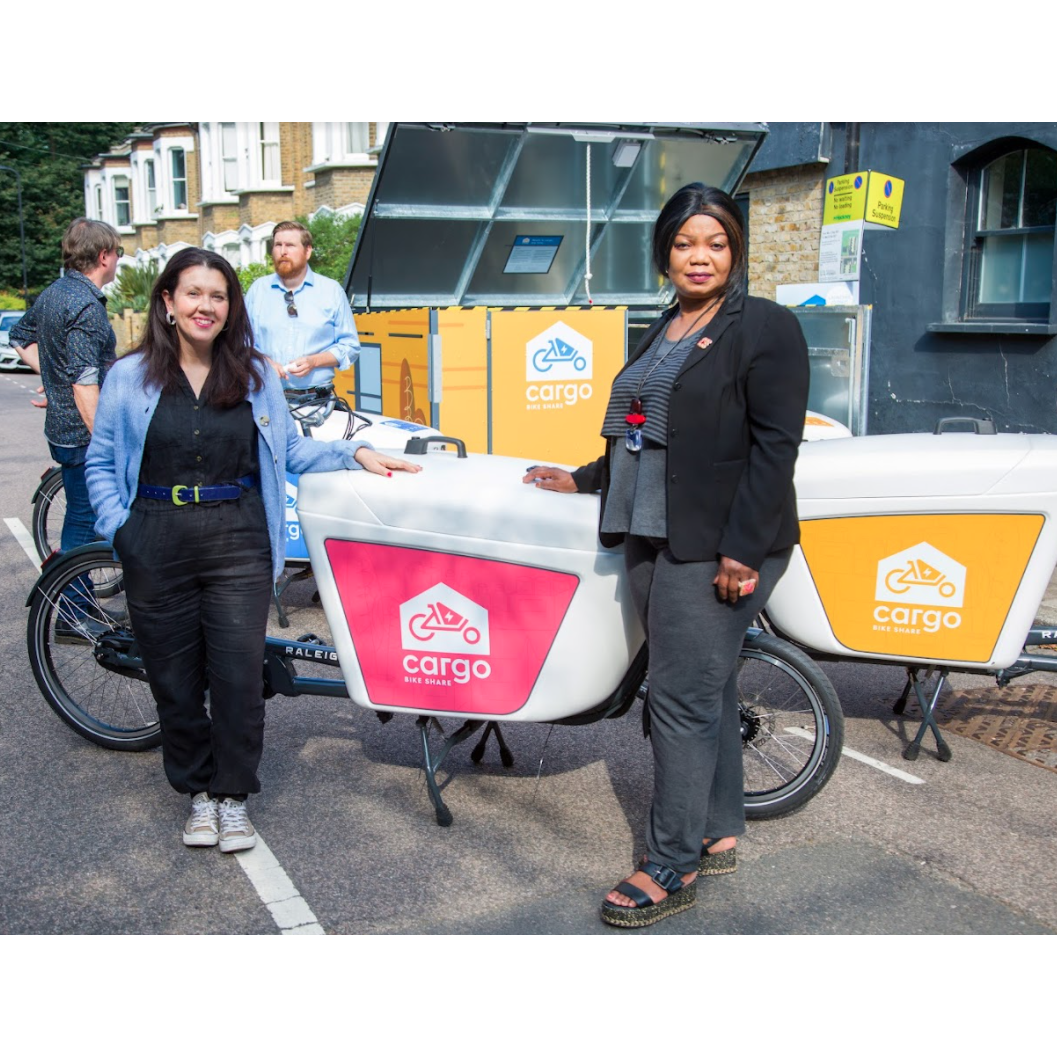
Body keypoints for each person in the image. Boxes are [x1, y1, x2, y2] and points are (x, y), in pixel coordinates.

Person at [523, 184, 809, 928]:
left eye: (714, 242)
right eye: (685, 243)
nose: (700, 256)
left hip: (720, 545)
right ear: (665, 253)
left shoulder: (764, 327)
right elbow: (640, 430)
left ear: (735, 249)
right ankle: (715, 830)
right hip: (652, 532)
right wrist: (583, 478)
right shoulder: (666, 326)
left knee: (678, 699)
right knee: (703, 690)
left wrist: (741, 551)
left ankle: (669, 863)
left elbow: (775, 448)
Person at [86, 247, 420, 853]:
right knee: (175, 680)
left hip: (237, 539)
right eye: (193, 294)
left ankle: (233, 798)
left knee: (237, 677)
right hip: (155, 536)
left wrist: (353, 452)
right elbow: (102, 462)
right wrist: (121, 530)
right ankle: (198, 793)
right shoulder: (128, 378)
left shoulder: (255, 374)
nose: (205, 306)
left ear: (230, 307)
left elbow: (288, 452)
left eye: (218, 296)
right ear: (168, 302)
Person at [10, 219, 121, 574]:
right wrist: (107, 442)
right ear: (104, 256)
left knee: (83, 517)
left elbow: (19, 336)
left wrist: (50, 375)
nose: (118, 260)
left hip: (61, 429)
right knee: (82, 524)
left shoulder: (55, 292)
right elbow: (84, 384)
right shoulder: (87, 307)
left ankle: (78, 607)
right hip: (82, 434)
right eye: (118, 252)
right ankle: (76, 614)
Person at [244, 220, 359, 391]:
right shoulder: (258, 290)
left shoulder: (331, 291)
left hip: (315, 402)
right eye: (278, 245)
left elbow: (350, 346)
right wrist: (265, 363)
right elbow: (242, 343)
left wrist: (314, 361)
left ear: (307, 251)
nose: (283, 252)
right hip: (265, 397)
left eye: (290, 245)